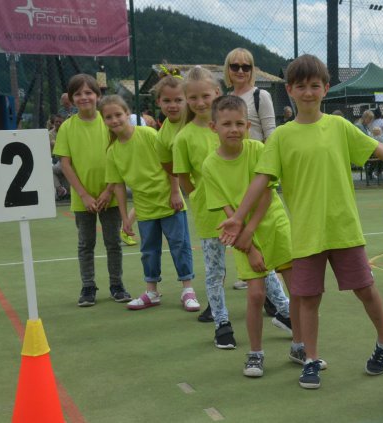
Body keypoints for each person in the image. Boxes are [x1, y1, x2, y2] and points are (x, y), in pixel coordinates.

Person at [218, 54, 383, 390]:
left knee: (365, 290)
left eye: (315, 85)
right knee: (309, 299)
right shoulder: (282, 137)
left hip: (344, 230)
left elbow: (380, 151)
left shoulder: (340, 127)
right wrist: (238, 218)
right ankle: (311, 359)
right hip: (306, 234)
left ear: (326, 89)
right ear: (290, 90)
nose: (309, 92)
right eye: (302, 86)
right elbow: (261, 180)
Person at [203, 95, 325, 377]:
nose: (233, 129)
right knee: (256, 295)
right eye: (226, 124)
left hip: (274, 226)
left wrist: (249, 230)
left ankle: (299, 346)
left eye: (238, 123)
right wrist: (249, 246)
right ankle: (255, 353)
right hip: (245, 240)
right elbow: (228, 212)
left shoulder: (258, 149)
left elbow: (266, 192)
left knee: (298, 290)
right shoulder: (210, 166)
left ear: (248, 125)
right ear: (213, 127)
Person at [173, 67, 292, 349]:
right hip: (212, 216)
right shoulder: (184, 138)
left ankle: (285, 311)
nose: (200, 102)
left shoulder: (238, 128)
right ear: (187, 100)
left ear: (217, 94)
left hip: (248, 217)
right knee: (215, 272)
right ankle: (221, 323)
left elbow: (262, 183)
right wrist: (202, 200)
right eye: (193, 97)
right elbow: (184, 179)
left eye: (206, 95)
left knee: (263, 265)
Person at [99, 95, 200, 311]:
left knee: (179, 246)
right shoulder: (112, 151)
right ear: (104, 120)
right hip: (145, 209)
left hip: (170, 204)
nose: (115, 120)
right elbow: (117, 186)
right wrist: (125, 218)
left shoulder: (147, 134)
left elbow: (169, 163)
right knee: (149, 251)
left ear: (128, 114)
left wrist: (175, 192)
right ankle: (151, 291)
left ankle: (188, 289)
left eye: (118, 114)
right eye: (109, 117)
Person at [52, 74, 130, 306]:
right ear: (71, 98)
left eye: (88, 92)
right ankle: (88, 286)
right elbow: (65, 163)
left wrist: (108, 190)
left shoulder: (109, 121)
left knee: (113, 242)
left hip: (111, 194)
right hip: (82, 198)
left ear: (97, 95)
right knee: (86, 244)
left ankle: (117, 285)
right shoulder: (67, 127)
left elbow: (119, 158)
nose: (84, 97)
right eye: (78, 93)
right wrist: (84, 195)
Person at [224, 48, 277, 293]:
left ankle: (272, 279)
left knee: (263, 224)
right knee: (240, 220)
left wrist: (267, 169)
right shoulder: (224, 100)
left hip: (258, 170)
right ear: (228, 69)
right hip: (234, 171)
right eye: (235, 66)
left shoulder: (260, 95)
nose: (241, 71)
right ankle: (250, 271)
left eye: (247, 66)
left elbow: (271, 133)